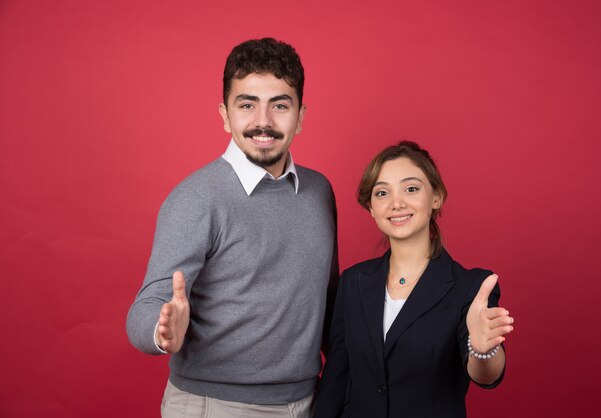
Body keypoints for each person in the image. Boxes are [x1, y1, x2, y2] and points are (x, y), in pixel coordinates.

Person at [126, 38, 338, 418]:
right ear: (225, 115)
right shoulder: (196, 197)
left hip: (310, 401)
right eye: (247, 105)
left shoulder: (318, 191)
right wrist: (161, 332)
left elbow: (328, 303)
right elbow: (148, 304)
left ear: (301, 116)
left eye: (280, 105)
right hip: (216, 406)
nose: (264, 122)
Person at [313, 141, 514, 418]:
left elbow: (487, 375)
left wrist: (482, 351)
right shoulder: (353, 282)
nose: (397, 203)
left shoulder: (472, 287)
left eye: (411, 188)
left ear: (436, 197)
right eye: (382, 193)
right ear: (371, 207)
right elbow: (336, 379)